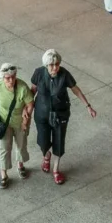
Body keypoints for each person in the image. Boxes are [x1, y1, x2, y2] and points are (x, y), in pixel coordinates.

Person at [31, 49, 97, 185]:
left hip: (60, 113)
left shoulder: (64, 74)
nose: (55, 68)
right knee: (42, 141)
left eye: (57, 64)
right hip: (41, 113)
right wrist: (27, 109)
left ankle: (56, 170)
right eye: (51, 65)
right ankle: (46, 155)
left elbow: (75, 89)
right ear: (46, 65)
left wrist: (88, 106)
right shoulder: (38, 73)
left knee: (59, 140)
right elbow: (32, 91)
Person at [0, 63, 34, 188]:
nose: (11, 80)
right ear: (2, 78)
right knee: (4, 147)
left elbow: (30, 104)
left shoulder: (22, 87)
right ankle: (4, 174)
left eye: (13, 77)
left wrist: (26, 118)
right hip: (4, 122)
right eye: (7, 78)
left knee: (21, 145)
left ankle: (20, 165)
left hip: (20, 121)